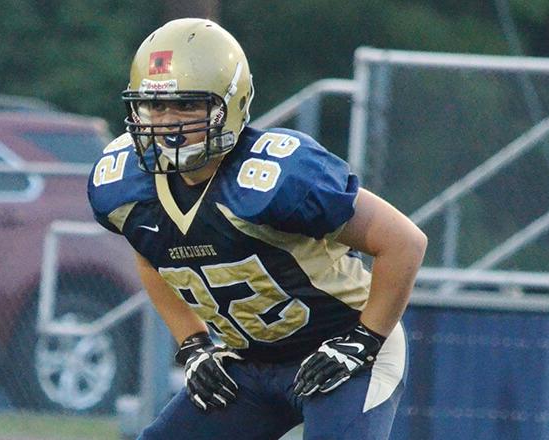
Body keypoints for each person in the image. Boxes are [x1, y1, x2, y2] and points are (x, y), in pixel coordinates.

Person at [88, 17, 427, 440]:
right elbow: (149, 252)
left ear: (229, 106)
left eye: (187, 105)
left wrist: (363, 340)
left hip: (340, 352)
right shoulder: (127, 187)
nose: (168, 123)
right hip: (247, 362)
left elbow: (404, 242)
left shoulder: (276, 176)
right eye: (156, 106)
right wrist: (193, 343)